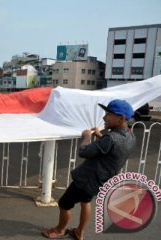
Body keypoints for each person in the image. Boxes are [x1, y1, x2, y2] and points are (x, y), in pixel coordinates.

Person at [41, 99, 136, 240]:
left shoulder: (110, 138)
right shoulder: (130, 136)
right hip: (100, 180)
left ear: (121, 118)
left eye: (108, 114)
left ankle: (60, 229)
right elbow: (112, 148)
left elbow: (84, 151)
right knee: (85, 202)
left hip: (86, 180)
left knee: (64, 204)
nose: (104, 117)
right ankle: (79, 232)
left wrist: (87, 137)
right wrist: (100, 136)